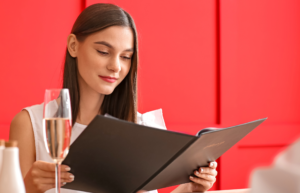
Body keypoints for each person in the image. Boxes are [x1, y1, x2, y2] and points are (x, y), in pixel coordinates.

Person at [9, 3, 218, 193]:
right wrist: (28, 188)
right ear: (73, 46)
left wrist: (190, 188)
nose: (116, 66)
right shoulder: (31, 123)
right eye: (103, 51)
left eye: (126, 57)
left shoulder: (140, 127)